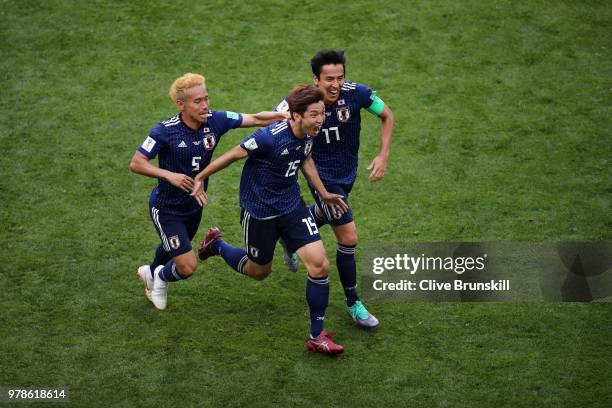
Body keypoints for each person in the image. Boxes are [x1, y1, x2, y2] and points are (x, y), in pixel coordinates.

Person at [191, 84, 349, 355]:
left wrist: (323, 194)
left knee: (320, 266)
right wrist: (200, 177)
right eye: (314, 114)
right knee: (259, 272)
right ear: (295, 115)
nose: (320, 119)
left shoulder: (311, 132)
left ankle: (316, 335)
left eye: (322, 113)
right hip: (260, 212)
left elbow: (305, 157)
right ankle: (216, 245)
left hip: (292, 207)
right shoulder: (269, 138)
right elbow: (232, 155)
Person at [130, 72, 287, 310]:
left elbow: (255, 118)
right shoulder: (164, 130)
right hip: (166, 208)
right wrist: (168, 175)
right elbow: (137, 162)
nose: (205, 106)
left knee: (173, 244)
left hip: (194, 205)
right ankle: (160, 277)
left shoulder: (216, 120)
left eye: (206, 98)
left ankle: (150, 272)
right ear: (181, 104)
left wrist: (283, 116)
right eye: (198, 101)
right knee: (187, 266)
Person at [275, 50, 395, 329]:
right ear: (315, 78)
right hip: (319, 173)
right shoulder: (302, 101)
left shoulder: (358, 94)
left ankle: (291, 231)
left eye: (340, 78)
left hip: (347, 172)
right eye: (329, 79)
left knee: (329, 214)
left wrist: (383, 156)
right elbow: (275, 121)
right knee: (348, 236)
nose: (335, 84)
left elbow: (387, 115)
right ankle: (354, 303)